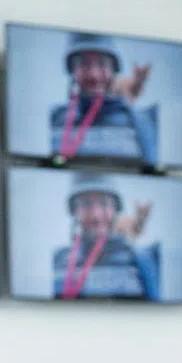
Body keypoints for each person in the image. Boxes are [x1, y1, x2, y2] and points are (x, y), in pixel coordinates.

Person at [49, 33, 157, 163]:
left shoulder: (146, 123)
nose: (94, 75)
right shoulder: (54, 118)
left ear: (114, 70)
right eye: (84, 64)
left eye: (102, 64)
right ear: (72, 70)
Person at [52, 175, 158, 300]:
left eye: (104, 203)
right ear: (74, 211)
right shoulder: (58, 260)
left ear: (116, 210)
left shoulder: (144, 260)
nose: (96, 216)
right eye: (86, 204)